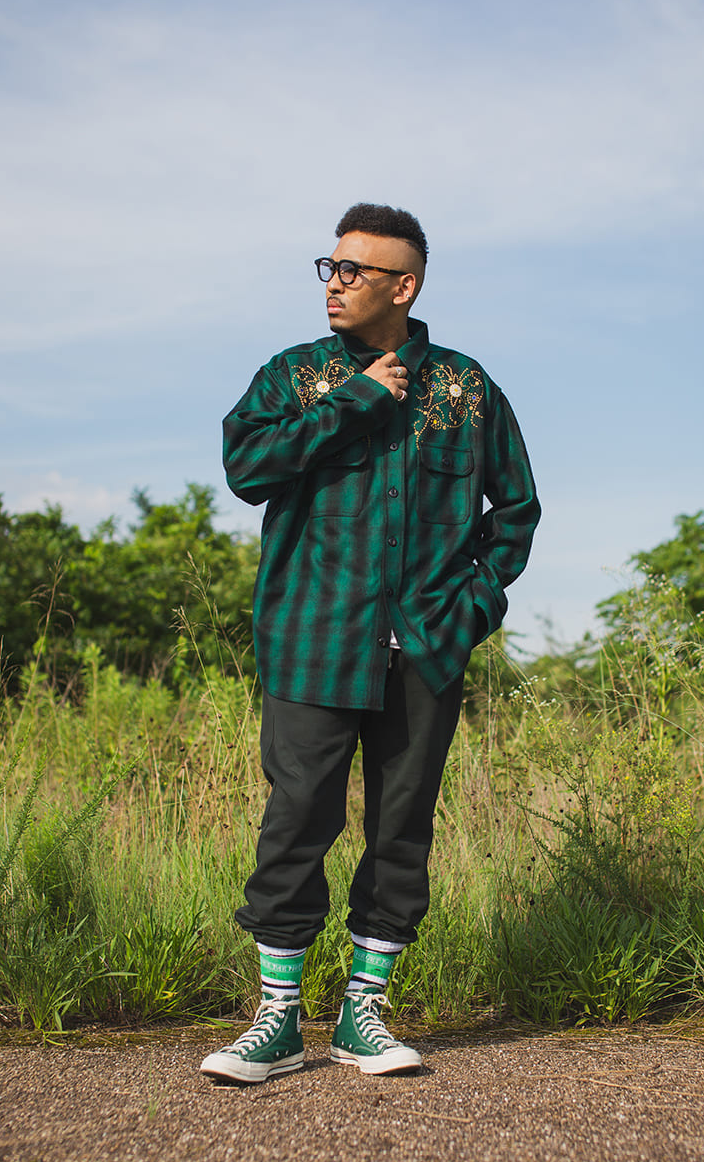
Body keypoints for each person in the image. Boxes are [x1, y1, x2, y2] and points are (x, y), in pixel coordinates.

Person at [200, 203, 540, 1084]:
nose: (335, 282)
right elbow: (246, 470)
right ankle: (277, 1020)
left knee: (401, 828)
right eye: (331, 266)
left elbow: (516, 509)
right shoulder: (295, 375)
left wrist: (471, 608)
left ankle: (363, 1015)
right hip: (313, 640)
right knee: (296, 820)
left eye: (355, 270)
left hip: (425, 647)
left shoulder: (465, 388)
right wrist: (353, 405)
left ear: (404, 286)